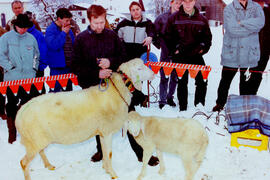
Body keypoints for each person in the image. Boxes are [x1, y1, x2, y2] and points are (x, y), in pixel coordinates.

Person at [71, 4, 126, 161]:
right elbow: (75, 65)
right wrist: (96, 72)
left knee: (127, 113)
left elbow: (123, 55)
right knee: (98, 118)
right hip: (91, 86)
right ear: (89, 20)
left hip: (113, 85)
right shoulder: (81, 39)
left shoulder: (112, 35)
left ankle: (142, 152)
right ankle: (101, 150)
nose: (100, 26)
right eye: (96, 23)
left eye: (102, 22)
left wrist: (110, 62)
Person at [212, 0, 265, 112]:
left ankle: (244, 107)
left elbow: (260, 23)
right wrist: (251, 27)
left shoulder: (256, 8)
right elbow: (232, 29)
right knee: (225, 81)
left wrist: (241, 23)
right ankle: (220, 104)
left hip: (249, 52)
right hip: (232, 52)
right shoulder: (229, 9)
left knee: (246, 82)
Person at [165, 0, 212, 111]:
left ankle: (199, 107)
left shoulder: (202, 19)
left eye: (190, 1)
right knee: (182, 81)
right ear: (182, 2)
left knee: (202, 80)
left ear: (194, 1)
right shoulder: (174, 18)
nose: (187, 4)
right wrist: (174, 50)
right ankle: (183, 108)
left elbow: (208, 38)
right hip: (180, 55)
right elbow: (167, 36)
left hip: (196, 55)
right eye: (185, 1)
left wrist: (202, 49)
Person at [0, 14, 40, 143]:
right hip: (12, 78)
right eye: (21, 27)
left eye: (26, 28)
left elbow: (36, 56)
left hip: (29, 78)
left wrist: (34, 69)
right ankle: (12, 132)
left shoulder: (31, 38)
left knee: (28, 104)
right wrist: (10, 67)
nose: (23, 30)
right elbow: (1, 56)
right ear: (15, 25)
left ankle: (27, 129)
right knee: (11, 104)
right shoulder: (6, 38)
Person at [153, 0, 182, 109]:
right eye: (176, 3)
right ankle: (162, 99)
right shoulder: (162, 18)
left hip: (178, 52)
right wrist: (159, 44)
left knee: (175, 77)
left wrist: (181, 48)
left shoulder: (183, 18)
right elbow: (153, 32)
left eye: (180, 3)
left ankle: (170, 97)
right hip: (165, 51)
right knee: (164, 76)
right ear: (171, 3)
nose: (178, 5)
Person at [243, 0, 270, 95]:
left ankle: (251, 96)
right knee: (244, 76)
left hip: (264, 51)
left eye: (261, 2)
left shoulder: (268, 13)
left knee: (257, 76)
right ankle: (243, 98)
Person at [45, 8, 74, 92]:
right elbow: (53, 45)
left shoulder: (69, 30)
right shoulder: (50, 30)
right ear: (59, 19)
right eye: (66, 20)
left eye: (69, 20)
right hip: (57, 67)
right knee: (55, 92)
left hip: (68, 66)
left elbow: (73, 44)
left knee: (68, 92)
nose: (68, 23)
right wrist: (63, 33)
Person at [25, 11, 48, 77]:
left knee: (38, 87)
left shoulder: (38, 34)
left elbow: (43, 51)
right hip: (24, 70)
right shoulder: (20, 34)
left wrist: (40, 66)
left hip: (37, 69)